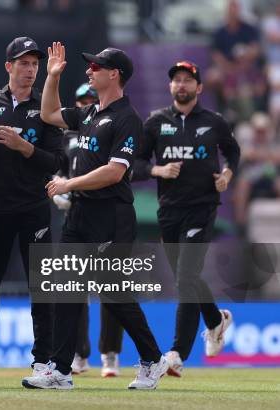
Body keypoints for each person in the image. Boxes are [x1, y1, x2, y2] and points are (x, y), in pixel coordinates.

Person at [23, 43, 169, 390]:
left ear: (114, 74)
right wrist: (53, 77)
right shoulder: (89, 114)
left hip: (111, 215)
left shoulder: (127, 119)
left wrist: (69, 183)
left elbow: (115, 172)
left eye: (96, 67)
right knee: (65, 289)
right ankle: (60, 371)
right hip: (81, 213)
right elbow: (48, 114)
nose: (89, 71)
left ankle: (153, 358)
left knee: (112, 294)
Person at [134, 60, 240, 377]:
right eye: (177, 80)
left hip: (203, 207)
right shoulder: (155, 122)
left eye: (188, 81)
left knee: (185, 278)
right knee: (188, 276)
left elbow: (233, 152)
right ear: (170, 87)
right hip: (169, 210)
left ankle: (178, 352)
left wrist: (227, 174)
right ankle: (214, 320)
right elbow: (136, 162)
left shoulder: (214, 121)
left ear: (199, 88)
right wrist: (157, 170)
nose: (182, 85)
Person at [0, 37, 64, 381]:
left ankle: (43, 361)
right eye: (23, 63)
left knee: (41, 286)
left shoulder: (47, 107)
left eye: (34, 64)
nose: (30, 70)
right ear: (8, 66)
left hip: (32, 209)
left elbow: (56, 161)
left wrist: (24, 147)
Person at [56, 83, 125, 377]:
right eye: (81, 101)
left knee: (111, 288)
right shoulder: (66, 138)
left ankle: (110, 354)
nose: (86, 105)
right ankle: (78, 354)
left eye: (91, 100)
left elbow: (119, 170)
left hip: (106, 216)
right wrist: (59, 190)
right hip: (75, 216)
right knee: (73, 289)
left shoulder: (109, 130)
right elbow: (58, 169)